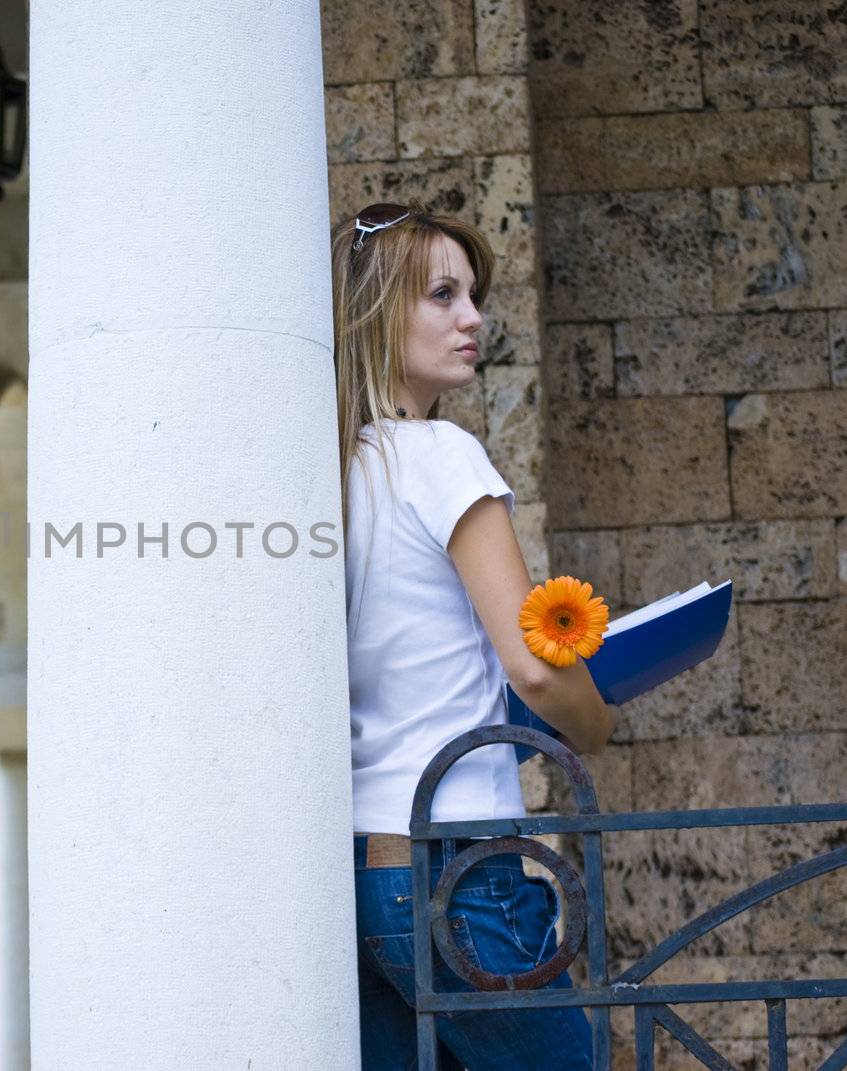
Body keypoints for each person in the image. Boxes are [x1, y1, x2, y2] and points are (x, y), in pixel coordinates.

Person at [332, 200, 618, 1070]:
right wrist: (596, 720)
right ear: (379, 312)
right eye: (443, 296)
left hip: (359, 875)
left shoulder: (330, 471)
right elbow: (534, 668)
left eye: (473, 295)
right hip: (463, 874)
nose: (473, 318)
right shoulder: (441, 455)